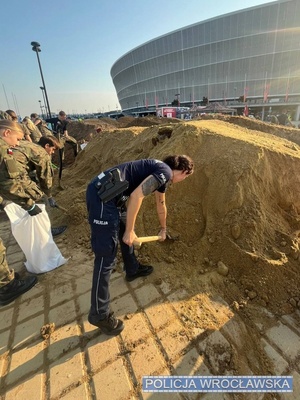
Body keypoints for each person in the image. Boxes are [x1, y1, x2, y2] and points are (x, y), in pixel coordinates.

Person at [86, 155, 194, 335]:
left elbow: (161, 204)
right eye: (186, 177)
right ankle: (99, 313)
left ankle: (132, 268)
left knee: (123, 226)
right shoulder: (165, 172)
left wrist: (163, 229)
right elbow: (137, 196)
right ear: (184, 171)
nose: (184, 180)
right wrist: (130, 230)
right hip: (102, 200)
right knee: (106, 257)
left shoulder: (161, 174)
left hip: (112, 196)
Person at [0, 120, 38, 305]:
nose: (16, 144)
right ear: (6, 133)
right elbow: (9, 184)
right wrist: (28, 204)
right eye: (16, 139)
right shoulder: (2, 148)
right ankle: (6, 287)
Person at [11, 136, 67, 237]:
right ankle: (47, 231)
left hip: (9, 172)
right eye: (53, 149)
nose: (53, 152)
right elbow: (45, 178)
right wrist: (49, 196)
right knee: (41, 199)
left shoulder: (28, 144)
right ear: (46, 146)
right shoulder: (42, 153)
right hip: (11, 176)